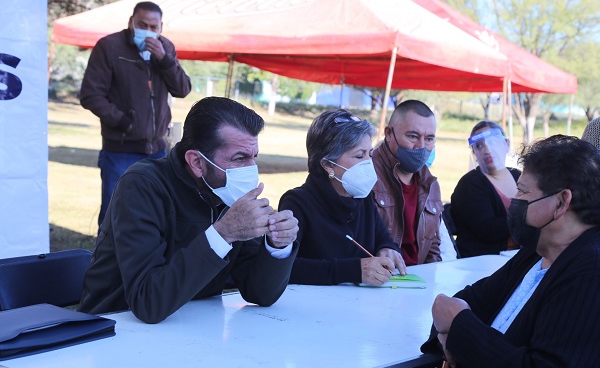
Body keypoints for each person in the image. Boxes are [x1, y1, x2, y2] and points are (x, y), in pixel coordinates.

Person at [78, 97, 299, 324]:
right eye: (240, 158)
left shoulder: (227, 191)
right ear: (196, 162)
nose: (251, 170)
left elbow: (260, 293)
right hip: (114, 328)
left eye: (254, 157)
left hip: (195, 329)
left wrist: (277, 246)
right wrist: (223, 234)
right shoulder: (142, 184)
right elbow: (147, 302)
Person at [422, 135, 600, 368]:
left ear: (561, 202)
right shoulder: (536, 253)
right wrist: (453, 330)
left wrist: (461, 330)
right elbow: (468, 301)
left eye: (523, 190)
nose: (514, 200)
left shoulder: (589, 273)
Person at [80, 1, 192, 227]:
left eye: (153, 27)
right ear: (131, 22)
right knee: (115, 213)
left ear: (161, 27)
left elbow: (183, 89)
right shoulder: (110, 47)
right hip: (120, 149)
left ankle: (147, 260)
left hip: (157, 150)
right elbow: (90, 95)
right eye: (142, 25)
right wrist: (124, 122)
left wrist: (165, 59)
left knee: (156, 212)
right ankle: (106, 261)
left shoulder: (166, 48)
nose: (148, 31)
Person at [278, 109, 406, 285]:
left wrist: (388, 249)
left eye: (370, 154)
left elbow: (382, 238)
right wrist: (353, 271)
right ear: (328, 165)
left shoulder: (362, 196)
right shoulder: (297, 203)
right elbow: (285, 268)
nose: (368, 163)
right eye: (359, 156)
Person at [372, 100, 443, 265]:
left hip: (417, 281)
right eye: (413, 136)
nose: (421, 146)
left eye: (429, 138)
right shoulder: (366, 175)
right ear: (389, 133)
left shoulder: (431, 184)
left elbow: (433, 246)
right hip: (378, 279)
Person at [450, 121, 520, 257]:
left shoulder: (520, 176)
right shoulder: (470, 184)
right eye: (479, 146)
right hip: (484, 262)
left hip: (520, 258)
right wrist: (527, 217)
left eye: (492, 142)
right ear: (475, 153)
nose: (487, 150)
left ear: (507, 145)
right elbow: (488, 230)